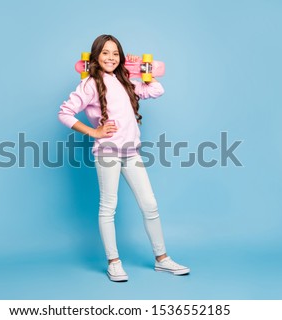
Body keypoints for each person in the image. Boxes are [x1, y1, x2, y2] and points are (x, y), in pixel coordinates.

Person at [58, 34, 190, 282]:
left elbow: (156, 89)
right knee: (108, 207)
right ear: (96, 56)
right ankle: (113, 262)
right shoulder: (89, 84)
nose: (110, 57)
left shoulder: (125, 80)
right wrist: (94, 131)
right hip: (107, 152)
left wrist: (137, 67)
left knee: (150, 204)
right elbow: (64, 113)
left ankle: (162, 259)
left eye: (115, 53)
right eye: (105, 53)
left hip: (131, 152)